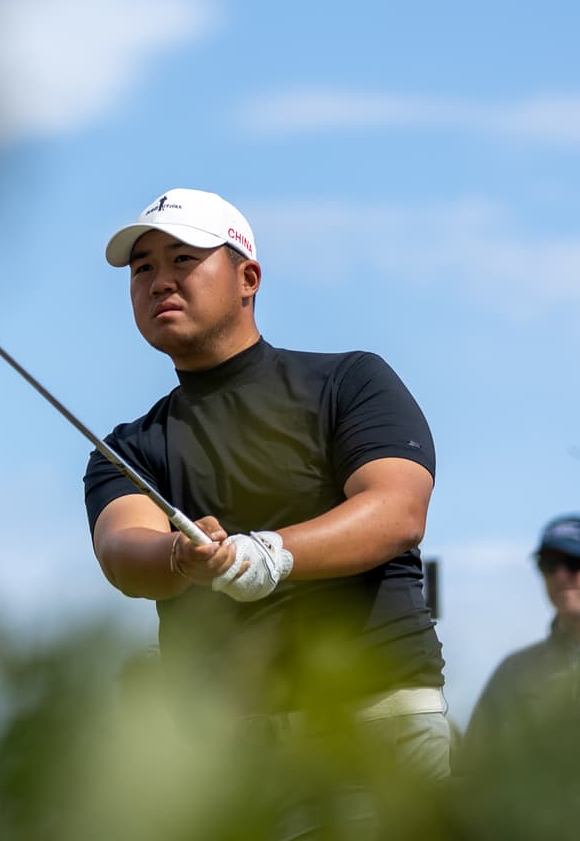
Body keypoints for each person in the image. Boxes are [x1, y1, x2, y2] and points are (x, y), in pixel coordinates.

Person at [85, 190, 451, 825]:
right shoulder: (128, 447)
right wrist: (180, 555)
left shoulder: (349, 381)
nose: (159, 280)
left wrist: (271, 553)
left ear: (247, 277)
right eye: (142, 268)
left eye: (183, 258)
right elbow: (123, 552)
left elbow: (396, 509)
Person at [457, 514, 580, 831]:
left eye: (573, 561)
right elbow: (472, 772)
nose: (561, 575)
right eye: (549, 564)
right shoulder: (514, 672)